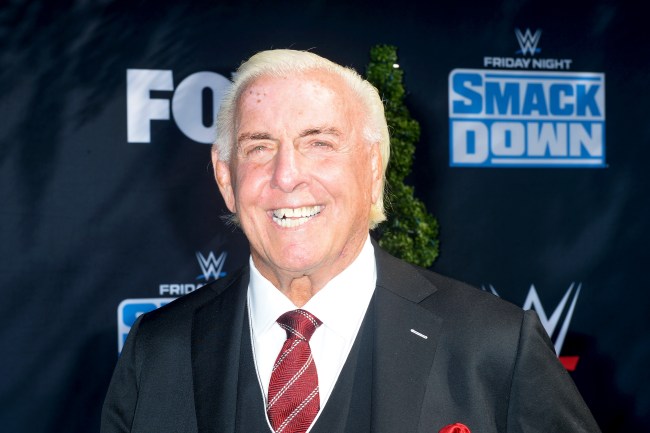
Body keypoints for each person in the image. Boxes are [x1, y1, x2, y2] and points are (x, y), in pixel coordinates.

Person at [101, 49, 601, 433]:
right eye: (260, 147)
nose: (287, 175)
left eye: (319, 143)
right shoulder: (156, 349)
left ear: (373, 169)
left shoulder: (495, 347)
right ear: (226, 178)